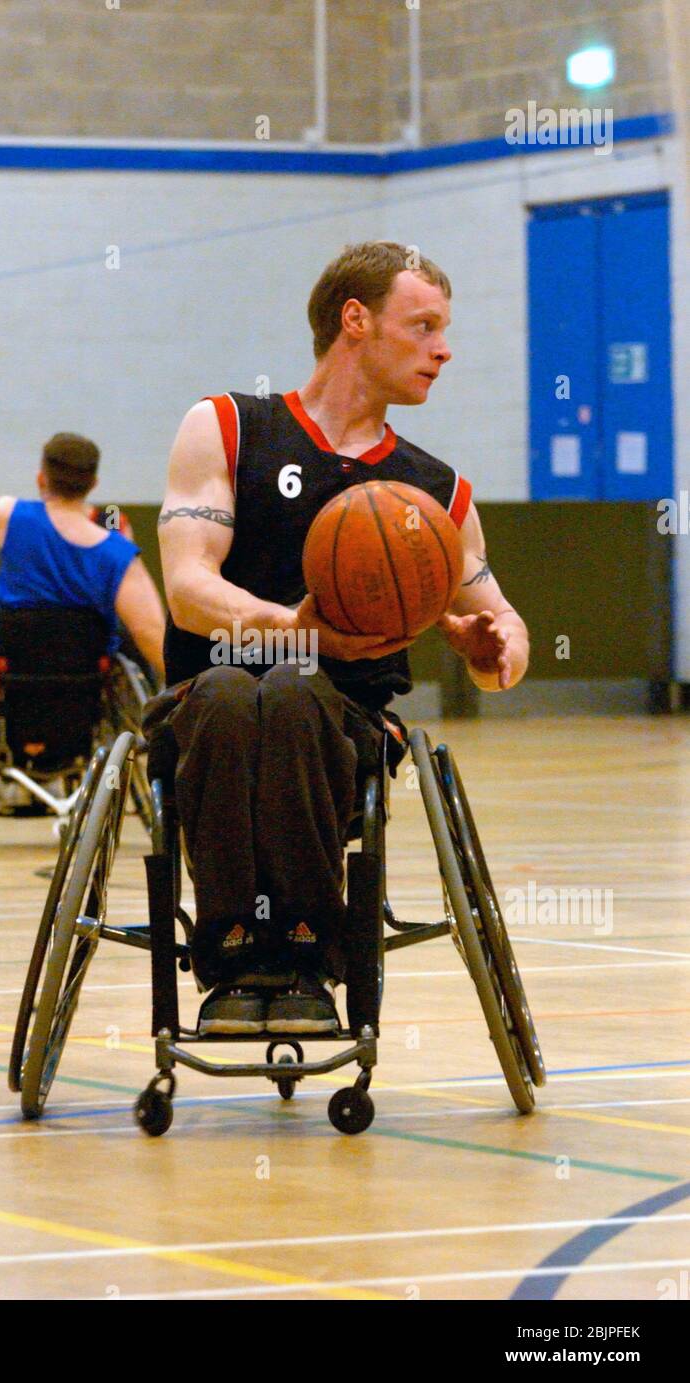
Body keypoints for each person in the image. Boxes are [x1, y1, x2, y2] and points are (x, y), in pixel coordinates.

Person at [145, 240, 529, 1036]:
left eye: (445, 330)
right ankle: (235, 953)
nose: (444, 348)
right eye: (423, 326)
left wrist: (498, 650)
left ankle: (309, 951)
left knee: (290, 691)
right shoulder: (226, 428)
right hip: (203, 706)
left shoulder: (433, 490)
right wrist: (295, 629)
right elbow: (185, 591)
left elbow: (505, 623)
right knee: (233, 689)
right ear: (356, 320)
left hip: (345, 725)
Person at [0, 433, 166, 685]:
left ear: (41, 479)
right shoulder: (119, 552)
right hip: (87, 672)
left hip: (11, 664)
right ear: (93, 484)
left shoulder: (11, 517)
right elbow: (149, 632)